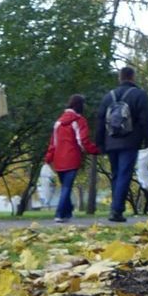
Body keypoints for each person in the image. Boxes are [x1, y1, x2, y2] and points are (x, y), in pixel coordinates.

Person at [95, 66, 148, 222]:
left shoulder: (109, 96)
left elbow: (100, 120)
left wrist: (99, 143)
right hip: (130, 141)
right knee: (124, 174)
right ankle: (116, 210)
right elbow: (146, 120)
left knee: (116, 175)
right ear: (133, 77)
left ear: (119, 78)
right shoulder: (139, 95)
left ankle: (115, 208)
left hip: (110, 141)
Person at [44, 94, 100, 222]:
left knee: (65, 185)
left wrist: (48, 157)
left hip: (58, 159)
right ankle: (59, 214)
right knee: (67, 187)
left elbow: (53, 143)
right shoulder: (79, 121)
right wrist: (95, 150)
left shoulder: (58, 122)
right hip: (72, 158)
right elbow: (83, 141)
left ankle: (68, 212)